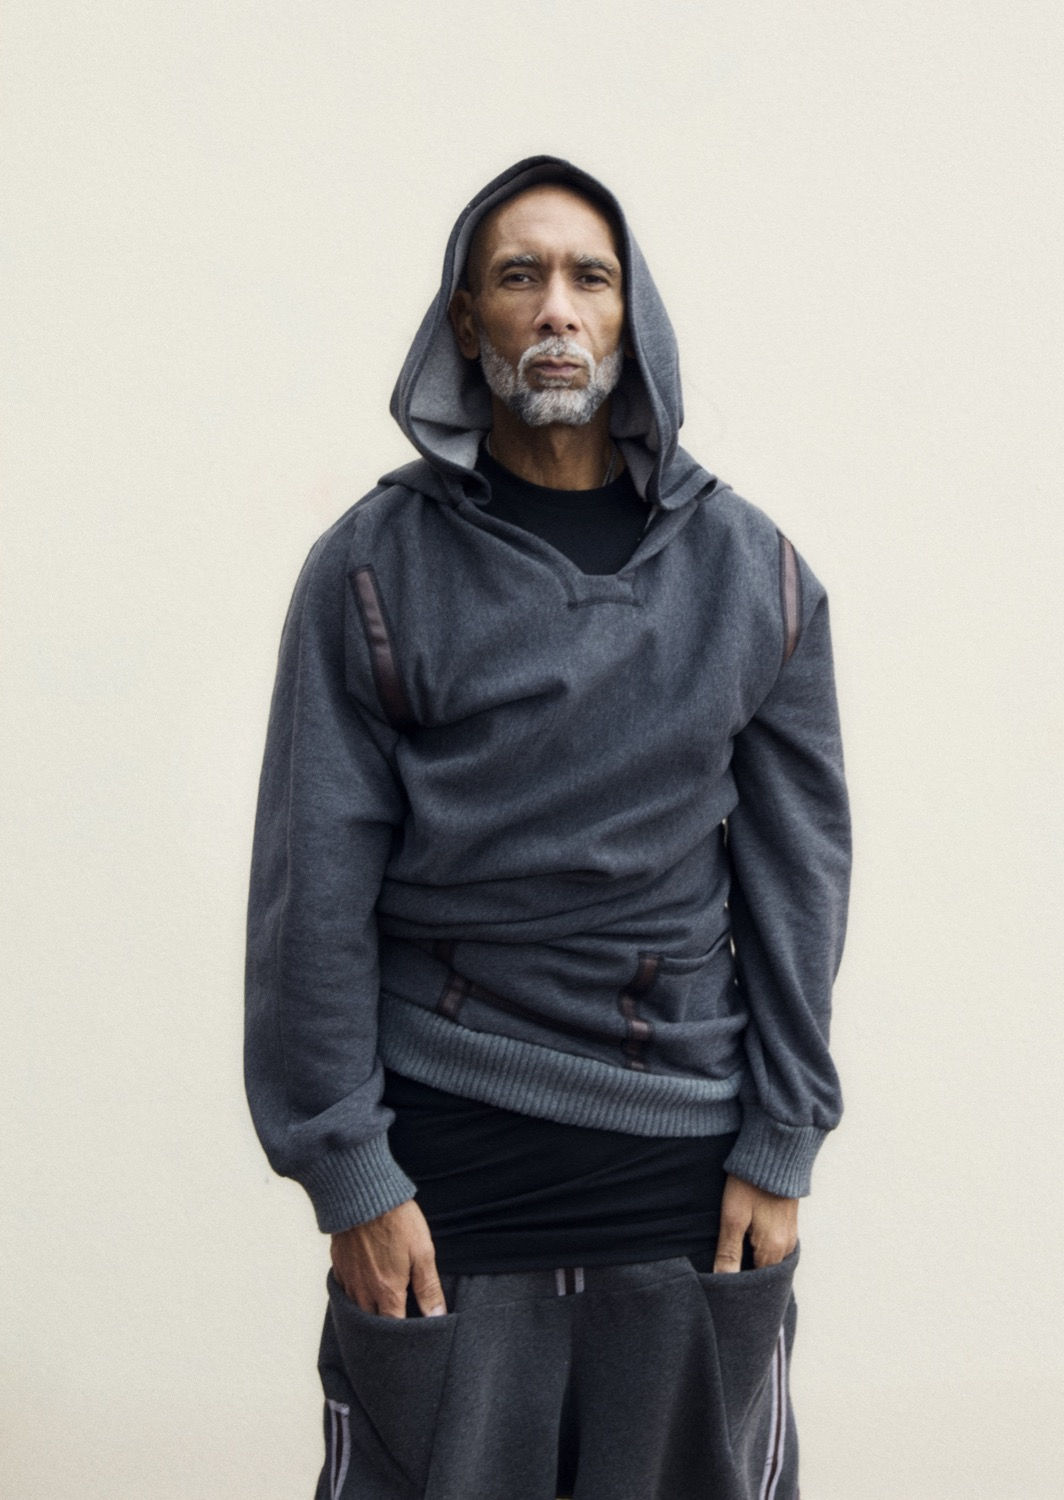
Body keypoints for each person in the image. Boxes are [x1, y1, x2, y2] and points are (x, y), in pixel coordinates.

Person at [244, 154, 851, 1500]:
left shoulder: (755, 575)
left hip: (686, 1177)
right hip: (447, 1174)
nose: (558, 308)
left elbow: (799, 883)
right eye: (519, 277)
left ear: (634, 316)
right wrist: (350, 1173)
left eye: (591, 277)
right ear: (468, 322)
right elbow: (311, 890)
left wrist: (784, 1138)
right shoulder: (371, 568)